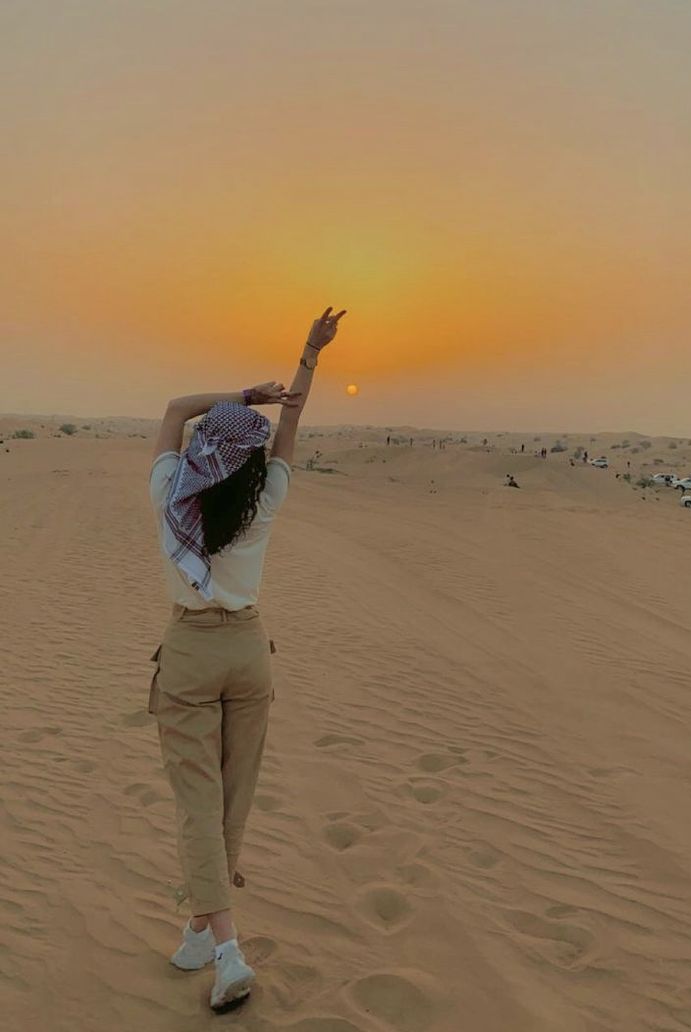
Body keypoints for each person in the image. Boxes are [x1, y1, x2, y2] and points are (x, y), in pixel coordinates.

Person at [147, 305, 346, 1010]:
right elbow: (291, 431)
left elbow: (175, 407)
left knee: (199, 802)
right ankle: (200, 929)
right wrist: (308, 357)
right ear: (252, 461)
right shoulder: (264, 500)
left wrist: (239, 397)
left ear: (204, 451)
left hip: (191, 652)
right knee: (233, 797)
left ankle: (228, 950)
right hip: (249, 653)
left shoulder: (172, 496)